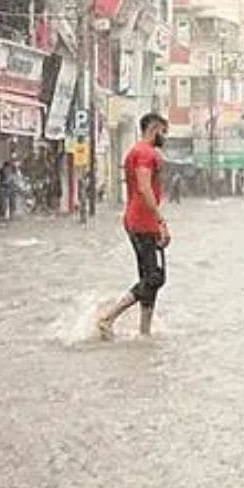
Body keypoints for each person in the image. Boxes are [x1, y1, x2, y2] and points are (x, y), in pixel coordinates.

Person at [97, 113, 170, 339]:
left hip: (136, 220)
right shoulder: (145, 154)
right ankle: (109, 317)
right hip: (144, 222)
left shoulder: (137, 152)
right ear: (154, 128)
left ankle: (144, 333)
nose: (164, 137)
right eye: (163, 132)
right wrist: (161, 221)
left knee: (148, 278)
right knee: (156, 277)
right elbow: (145, 188)